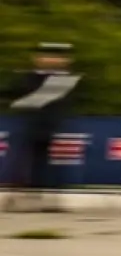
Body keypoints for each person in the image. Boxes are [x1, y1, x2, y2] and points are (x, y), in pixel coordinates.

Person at [7, 42, 80, 213]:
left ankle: (47, 198)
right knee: (25, 162)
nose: (52, 60)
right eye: (48, 56)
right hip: (31, 126)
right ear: (37, 59)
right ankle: (23, 199)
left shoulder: (67, 80)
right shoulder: (29, 78)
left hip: (54, 125)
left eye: (57, 57)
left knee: (50, 164)